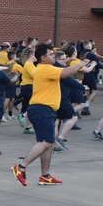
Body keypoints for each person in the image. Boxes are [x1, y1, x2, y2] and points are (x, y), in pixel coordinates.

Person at [11, 45, 94, 186]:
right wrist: (80, 64)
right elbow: (67, 73)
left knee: (47, 143)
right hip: (42, 109)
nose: (53, 57)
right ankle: (21, 167)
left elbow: (66, 76)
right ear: (43, 58)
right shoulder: (46, 69)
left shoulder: (45, 69)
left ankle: (45, 175)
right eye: (50, 54)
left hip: (42, 109)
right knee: (47, 142)